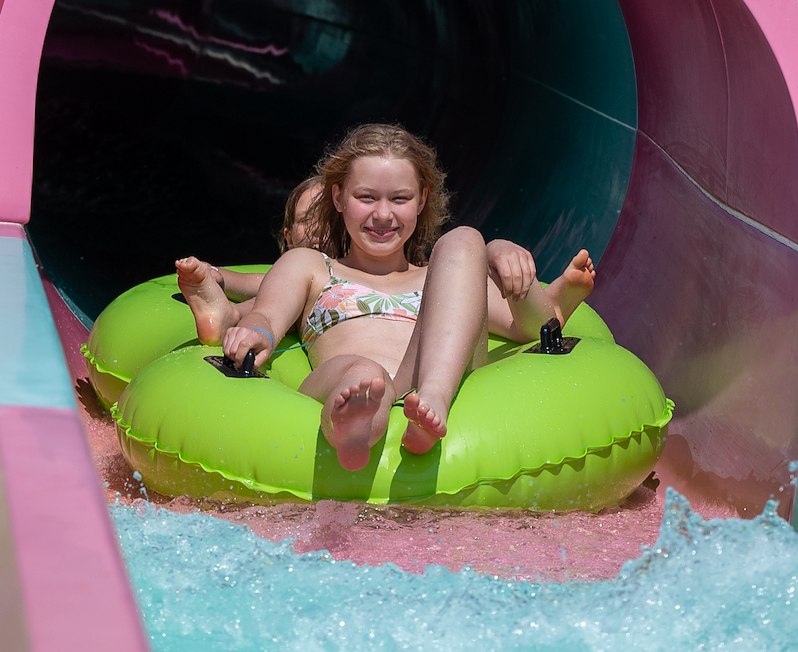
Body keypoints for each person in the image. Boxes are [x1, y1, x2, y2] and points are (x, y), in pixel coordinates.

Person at [182, 123, 596, 471]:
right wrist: (255, 331)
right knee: (364, 374)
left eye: (399, 199)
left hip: (424, 381)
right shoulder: (311, 265)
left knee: (467, 238)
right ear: (339, 197)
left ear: (422, 201)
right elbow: (269, 316)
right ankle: (355, 424)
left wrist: (504, 253)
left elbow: (531, 328)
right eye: (366, 198)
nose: (383, 215)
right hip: (349, 375)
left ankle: (432, 399)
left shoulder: (445, 277)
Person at [176, 175, 324, 345]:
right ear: (288, 236)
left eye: (327, 220)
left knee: (285, 299)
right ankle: (226, 312)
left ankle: (233, 315)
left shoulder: (348, 273)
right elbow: (261, 283)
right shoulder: (293, 274)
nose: (317, 229)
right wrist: (216, 275)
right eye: (306, 220)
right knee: (277, 292)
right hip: (284, 297)